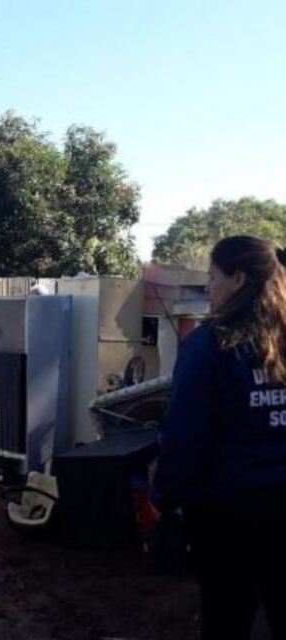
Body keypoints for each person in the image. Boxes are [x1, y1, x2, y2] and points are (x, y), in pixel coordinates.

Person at [153, 236, 286, 640]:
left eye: (213, 277)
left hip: (227, 513)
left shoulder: (211, 344)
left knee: (227, 617)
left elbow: (185, 433)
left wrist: (165, 498)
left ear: (238, 278)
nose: (209, 288)